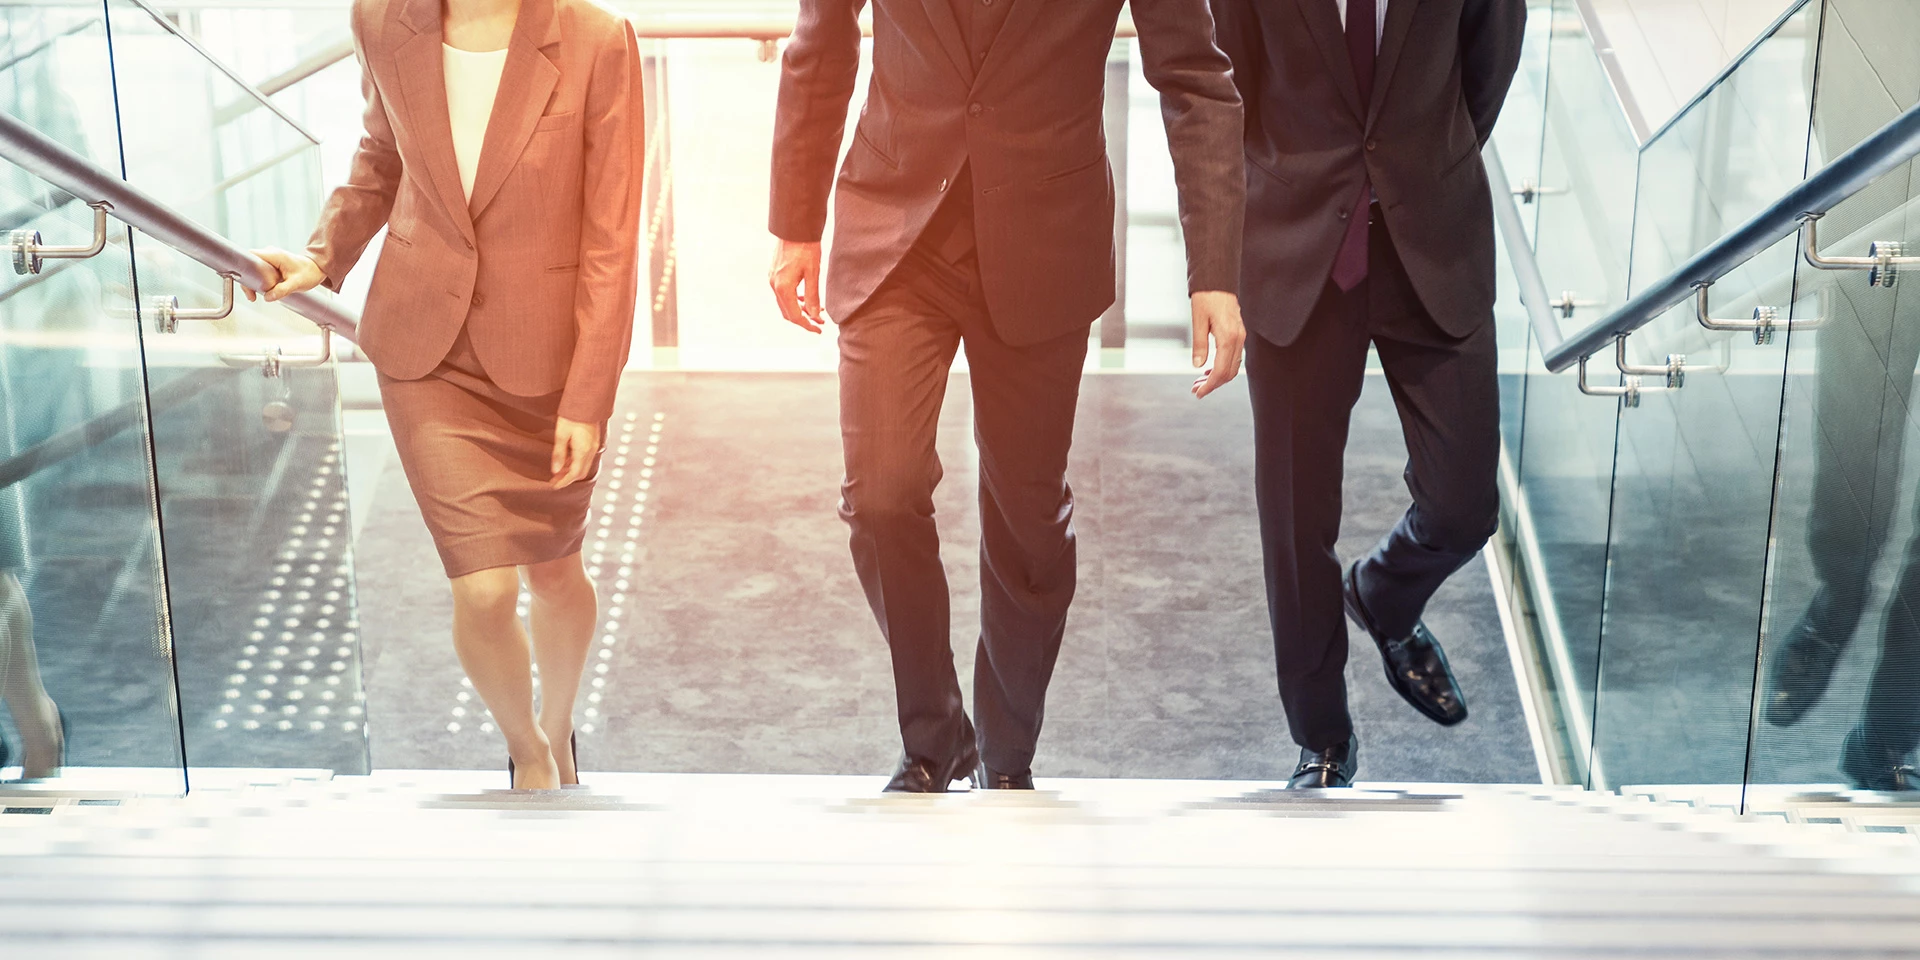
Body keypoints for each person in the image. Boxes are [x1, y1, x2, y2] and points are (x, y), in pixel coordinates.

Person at [769, 0, 1247, 792]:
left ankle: (1006, 747)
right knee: (881, 493)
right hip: (896, 225)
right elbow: (820, 41)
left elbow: (1195, 80)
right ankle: (934, 735)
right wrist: (795, 222)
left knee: (1027, 522)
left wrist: (1216, 271)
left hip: (1044, 235)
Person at [249, 0, 645, 789]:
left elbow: (612, 234)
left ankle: (561, 727)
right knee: (486, 588)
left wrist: (588, 396)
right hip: (425, 348)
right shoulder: (381, 21)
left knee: (554, 570)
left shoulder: (596, 39)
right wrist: (323, 258)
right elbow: (380, 160)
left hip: (546, 359)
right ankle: (527, 750)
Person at [1211, 0, 1525, 788]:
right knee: (1294, 519)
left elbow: (1490, 62)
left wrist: (1415, 168)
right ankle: (1323, 737)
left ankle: (1383, 591)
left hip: (1432, 232)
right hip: (1297, 242)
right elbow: (1229, 84)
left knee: (1463, 505)